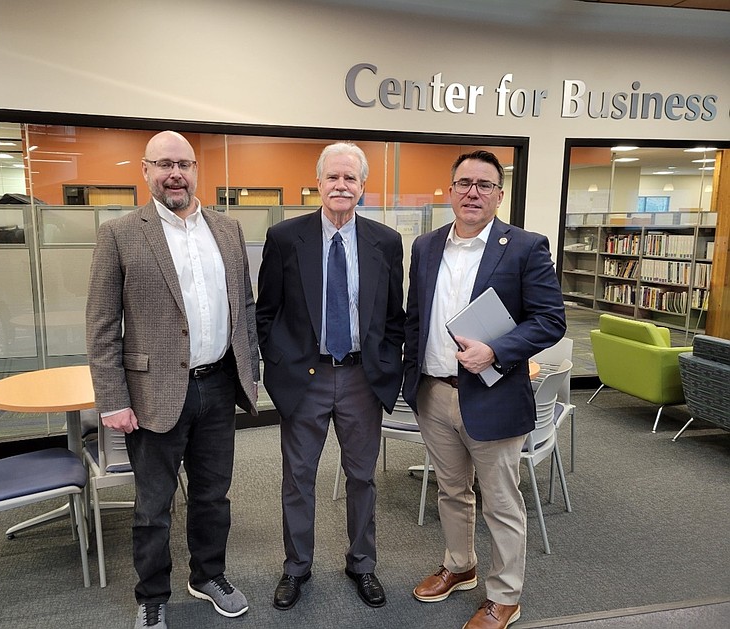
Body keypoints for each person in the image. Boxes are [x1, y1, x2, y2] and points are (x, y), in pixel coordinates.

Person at [86, 131, 259, 629]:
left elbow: (243, 308)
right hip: (151, 393)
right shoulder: (119, 233)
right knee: (153, 505)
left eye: (183, 163)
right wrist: (112, 399)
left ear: (196, 170)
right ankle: (152, 593)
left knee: (212, 495)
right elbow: (101, 325)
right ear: (145, 170)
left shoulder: (226, 230)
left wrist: (249, 372)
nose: (175, 173)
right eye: (164, 163)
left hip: (218, 385)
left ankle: (208, 576)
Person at [403, 150, 566, 629]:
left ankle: (505, 596)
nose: (473, 192)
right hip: (434, 392)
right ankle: (460, 564)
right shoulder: (427, 246)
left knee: (500, 500)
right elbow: (417, 315)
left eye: (485, 185)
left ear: (499, 194)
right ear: (450, 190)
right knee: (451, 490)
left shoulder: (524, 246)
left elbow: (549, 320)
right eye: (464, 183)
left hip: (493, 393)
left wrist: (496, 351)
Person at [256, 142, 405, 611]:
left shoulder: (386, 241)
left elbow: (394, 314)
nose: (342, 186)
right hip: (306, 377)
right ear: (318, 183)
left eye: (351, 178)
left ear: (363, 186)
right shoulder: (285, 238)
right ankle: (296, 567)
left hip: (362, 377)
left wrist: (386, 361)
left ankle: (362, 563)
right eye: (333, 178)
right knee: (299, 478)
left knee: (362, 477)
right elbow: (266, 313)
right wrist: (280, 365)